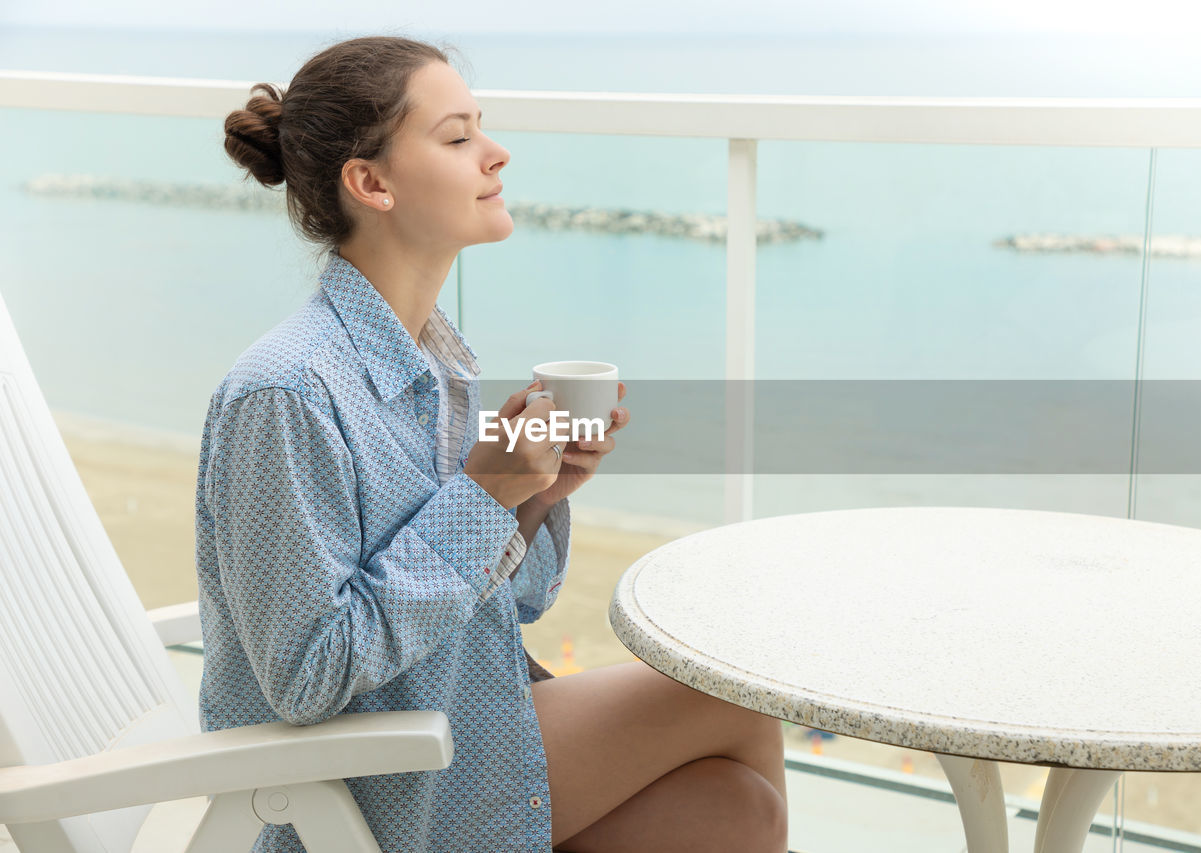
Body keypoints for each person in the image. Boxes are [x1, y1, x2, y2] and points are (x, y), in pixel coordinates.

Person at [203, 34, 787, 853]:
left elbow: (507, 604)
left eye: (482, 127)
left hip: (455, 718)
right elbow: (306, 676)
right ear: (371, 183)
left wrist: (535, 495)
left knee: (737, 810)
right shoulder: (286, 393)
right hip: (364, 787)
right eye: (458, 136)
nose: (496, 153)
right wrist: (484, 494)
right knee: (737, 698)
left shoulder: (435, 359)